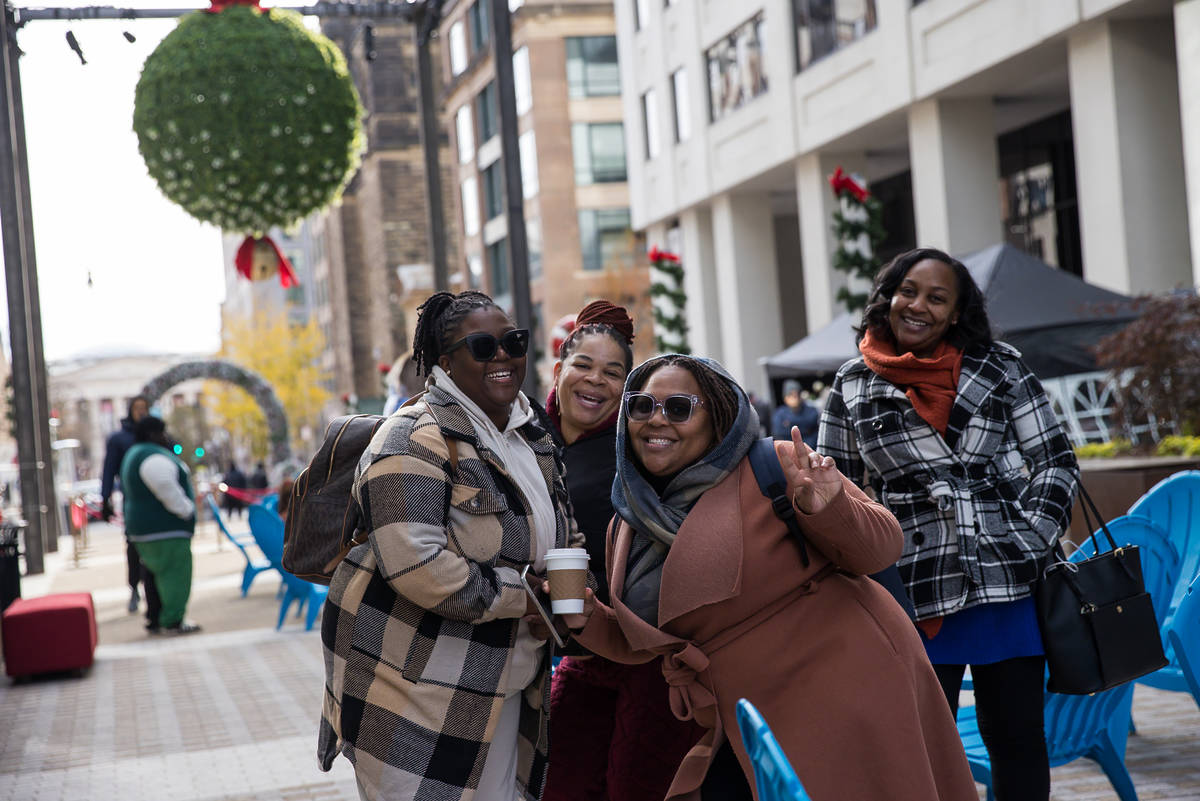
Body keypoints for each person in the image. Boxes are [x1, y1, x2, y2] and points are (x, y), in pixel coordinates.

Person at [560, 354, 976, 801]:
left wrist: (827, 507)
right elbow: (648, 641)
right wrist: (585, 614)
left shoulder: (774, 464)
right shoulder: (628, 519)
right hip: (740, 713)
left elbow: (881, 548)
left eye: (678, 408)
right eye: (641, 406)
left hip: (843, 685)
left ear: (717, 419)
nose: (655, 421)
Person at [818, 247, 1080, 801]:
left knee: (1015, 739)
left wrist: (1031, 539)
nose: (918, 306)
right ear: (887, 297)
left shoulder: (1000, 365)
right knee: (918, 746)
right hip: (911, 584)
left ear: (957, 313)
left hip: (1005, 579)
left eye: (938, 298)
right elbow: (833, 489)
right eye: (908, 291)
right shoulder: (851, 382)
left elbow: (1055, 458)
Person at [317, 290, 584, 801]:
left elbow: (564, 532)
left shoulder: (529, 436)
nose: (503, 355)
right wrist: (526, 598)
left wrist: (574, 584)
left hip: (505, 686)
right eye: (482, 347)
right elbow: (419, 566)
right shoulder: (412, 437)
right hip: (415, 696)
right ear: (444, 362)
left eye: (513, 342)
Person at [541, 301, 701, 801]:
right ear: (558, 370)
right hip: (568, 648)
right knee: (563, 785)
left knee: (637, 786)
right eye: (583, 366)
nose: (595, 381)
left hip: (643, 652)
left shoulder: (637, 447)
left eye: (613, 373)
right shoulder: (524, 439)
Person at [119, 416, 201, 635]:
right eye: (162, 433)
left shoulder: (134, 454)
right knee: (175, 575)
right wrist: (187, 510)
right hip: (165, 530)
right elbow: (167, 489)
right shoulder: (152, 457)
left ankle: (156, 617)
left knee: (154, 577)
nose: (166, 437)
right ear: (154, 434)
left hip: (144, 530)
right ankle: (173, 619)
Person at [100, 395, 161, 622]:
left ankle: (153, 595)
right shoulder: (120, 438)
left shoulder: (154, 435)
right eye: (138, 408)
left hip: (156, 500)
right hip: (133, 500)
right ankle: (134, 587)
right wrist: (105, 497)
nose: (141, 412)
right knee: (134, 547)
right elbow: (109, 469)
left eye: (145, 408)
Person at [770, 379, 819, 447]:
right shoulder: (779, 413)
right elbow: (778, 433)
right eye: (790, 395)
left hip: (810, 447)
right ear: (785, 398)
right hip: (789, 449)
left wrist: (789, 424)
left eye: (796, 395)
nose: (793, 398)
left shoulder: (811, 411)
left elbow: (814, 429)